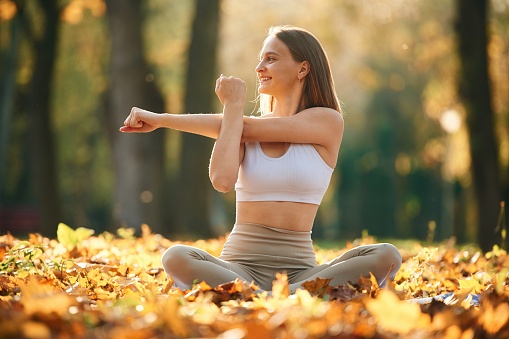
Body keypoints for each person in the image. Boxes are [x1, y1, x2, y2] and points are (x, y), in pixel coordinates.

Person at [120, 25, 402, 293]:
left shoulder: (327, 121)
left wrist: (172, 118)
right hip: (238, 269)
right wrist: (223, 116)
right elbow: (221, 180)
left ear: (303, 68)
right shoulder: (239, 129)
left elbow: (249, 127)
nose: (259, 68)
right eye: (260, 59)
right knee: (176, 257)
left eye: (271, 58)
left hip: (301, 272)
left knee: (387, 255)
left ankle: (267, 295)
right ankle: (290, 296)